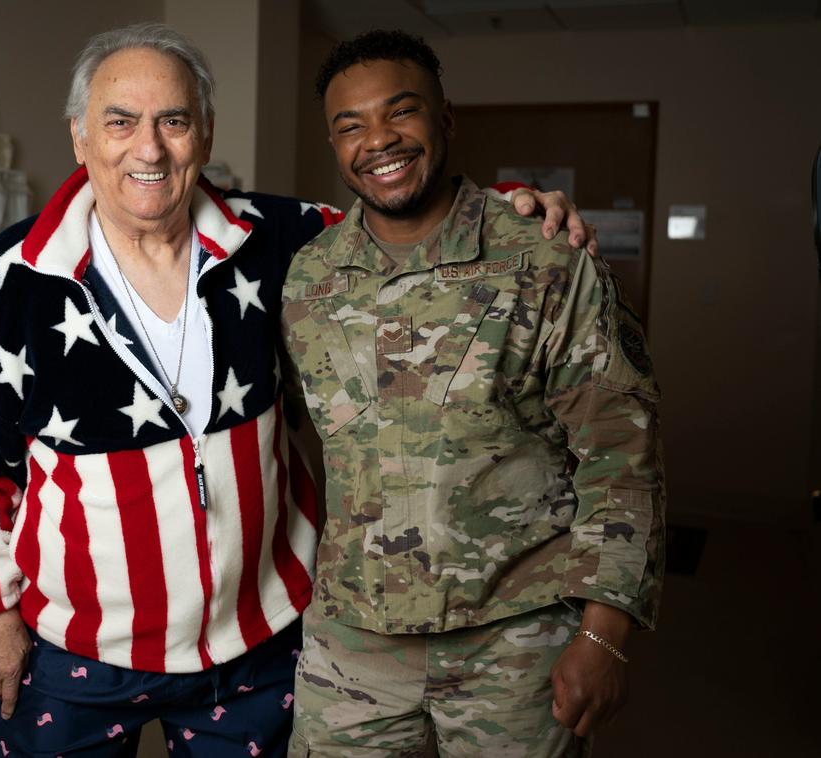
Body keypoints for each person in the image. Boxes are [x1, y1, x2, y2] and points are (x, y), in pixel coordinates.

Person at [0, 23, 592, 757]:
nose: (148, 149)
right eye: (121, 122)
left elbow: (405, 218)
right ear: (81, 137)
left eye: (173, 121)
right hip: (75, 650)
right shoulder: (15, 272)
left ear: (204, 135)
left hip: (257, 647)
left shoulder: (280, 237)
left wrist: (512, 208)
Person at [281, 30, 664, 757]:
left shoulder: (545, 256)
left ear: (445, 120)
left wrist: (604, 634)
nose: (378, 140)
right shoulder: (308, 277)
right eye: (350, 125)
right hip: (353, 644)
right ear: (334, 145)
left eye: (402, 112)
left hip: (517, 642)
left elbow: (621, 449)